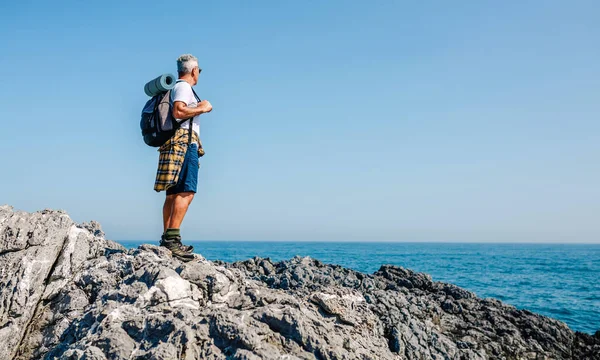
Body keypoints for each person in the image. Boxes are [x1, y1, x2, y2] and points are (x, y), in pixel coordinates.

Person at [154, 54, 213, 261]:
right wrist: (202, 108)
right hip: (184, 143)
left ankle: (168, 239)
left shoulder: (176, 88)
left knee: (173, 193)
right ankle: (172, 238)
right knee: (187, 190)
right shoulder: (184, 88)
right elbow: (179, 112)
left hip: (174, 142)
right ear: (194, 70)